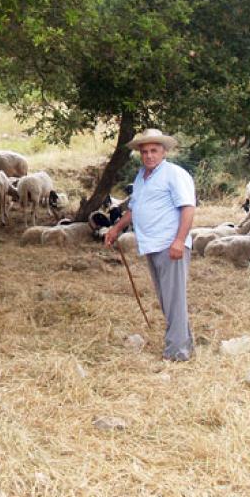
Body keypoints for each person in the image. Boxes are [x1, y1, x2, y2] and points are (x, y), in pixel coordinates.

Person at [103, 128, 196, 361]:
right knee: (167, 298)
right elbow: (134, 208)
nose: (149, 156)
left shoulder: (174, 174)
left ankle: (177, 353)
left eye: (154, 150)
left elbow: (188, 207)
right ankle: (182, 344)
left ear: (164, 151)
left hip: (169, 244)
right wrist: (116, 228)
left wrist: (179, 240)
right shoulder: (142, 176)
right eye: (144, 151)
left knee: (173, 298)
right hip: (152, 244)